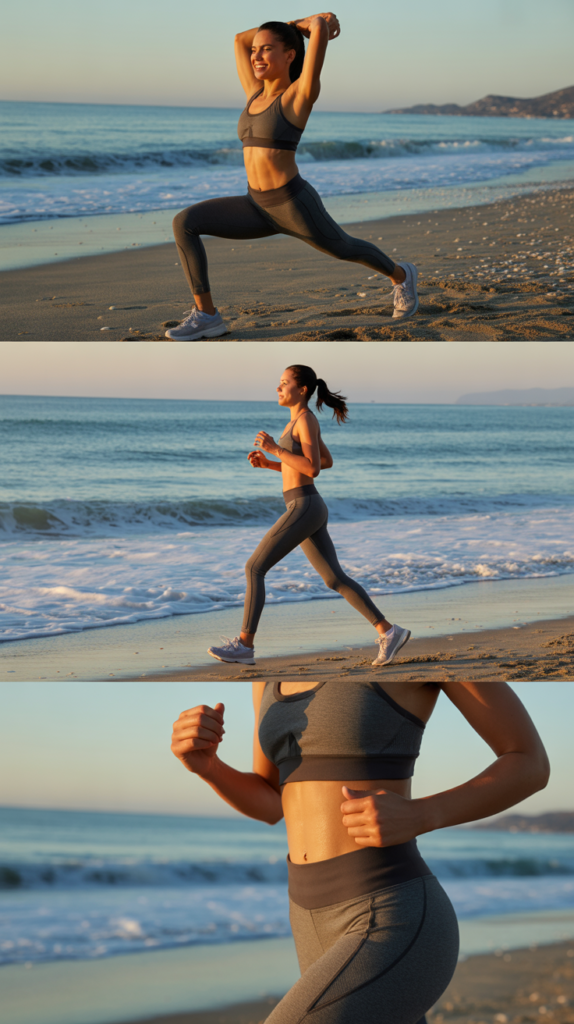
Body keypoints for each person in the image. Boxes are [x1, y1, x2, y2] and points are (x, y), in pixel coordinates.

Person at [171, 681, 551, 1024]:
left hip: (390, 913)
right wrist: (210, 767)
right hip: (307, 920)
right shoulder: (271, 663)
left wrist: (423, 814)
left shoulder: (412, 640)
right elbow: (273, 802)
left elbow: (529, 762)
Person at [166, 14, 419, 340]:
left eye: (267, 49)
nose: (255, 55)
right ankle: (207, 315)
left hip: (293, 204)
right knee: (184, 222)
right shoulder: (253, 94)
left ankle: (401, 276)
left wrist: (311, 25)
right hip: (254, 205)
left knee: (344, 248)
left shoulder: (300, 94)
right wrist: (289, 25)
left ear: (290, 55)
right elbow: (239, 40)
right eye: (256, 50)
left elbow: (318, 30)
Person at [207, 364, 411, 667]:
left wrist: (275, 449)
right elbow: (324, 460)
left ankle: (245, 645)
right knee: (334, 579)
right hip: (305, 505)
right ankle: (389, 631)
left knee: (254, 568)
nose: (278, 388)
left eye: (284, 383)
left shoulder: (304, 420)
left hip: (304, 505)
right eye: (278, 383)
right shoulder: (297, 423)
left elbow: (313, 468)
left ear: (301, 390)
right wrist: (270, 465)